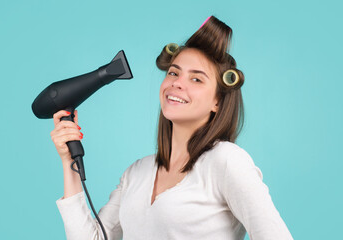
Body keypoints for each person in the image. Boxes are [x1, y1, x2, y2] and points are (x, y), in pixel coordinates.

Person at [52, 16, 294, 240]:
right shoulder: (137, 172)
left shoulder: (226, 161)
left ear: (217, 102)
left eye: (196, 78)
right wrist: (68, 162)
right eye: (173, 72)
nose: (177, 83)